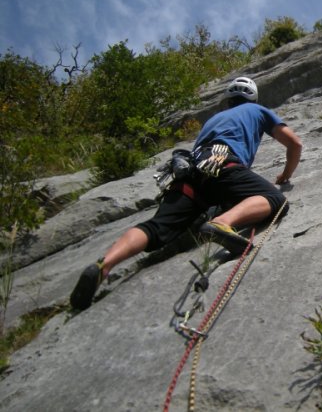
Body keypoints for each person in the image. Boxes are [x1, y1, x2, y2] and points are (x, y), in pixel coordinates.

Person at [70, 77, 302, 311]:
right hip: (223, 163)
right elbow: (295, 144)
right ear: (252, 97)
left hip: (190, 173)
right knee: (276, 200)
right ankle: (222, 223)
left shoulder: (214, 119)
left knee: (156, 227)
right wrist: (284, 176)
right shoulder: (257, 109)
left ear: (228, 100)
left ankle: (104, 266)